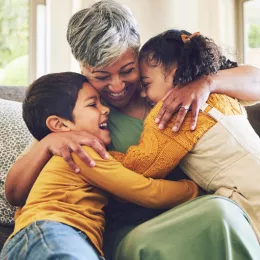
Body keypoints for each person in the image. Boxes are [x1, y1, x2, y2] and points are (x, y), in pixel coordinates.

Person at [5, 1, 260, 259]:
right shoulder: (83, 114)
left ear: (137, 55)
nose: (116, 86)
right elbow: (15, 193)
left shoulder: (169, 79)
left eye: (127, 70)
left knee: (226, 212)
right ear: (82, 69)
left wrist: (207, 83)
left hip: (199, 208)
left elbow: (256, 81)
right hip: (133, 231)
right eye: (102, 76)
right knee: (221, 213)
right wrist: (48, 143)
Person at [0, 72, 198, 260]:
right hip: (52, 233)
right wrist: (194, 189)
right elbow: (149, 191)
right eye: (92, 104)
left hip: (55, 239)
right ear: (60, 125)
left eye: (101, 102)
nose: (105, 109)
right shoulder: (79, 151)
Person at [108, 29, 260, 259]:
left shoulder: (174, 112)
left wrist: (97, 156)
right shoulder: (224, 95)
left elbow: (142, 166)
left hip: (249, 200)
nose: (141, 93)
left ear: (175, 72)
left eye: (146, 83)